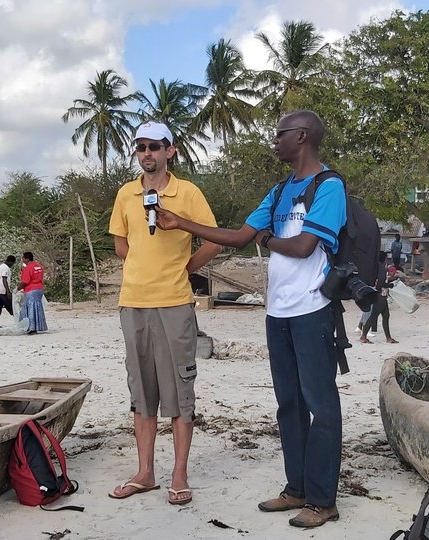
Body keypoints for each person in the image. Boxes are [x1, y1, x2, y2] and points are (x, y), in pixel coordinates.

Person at [154, 110, 345, 529]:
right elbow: (239, 236)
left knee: (322, 406)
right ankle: (296, 488)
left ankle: (322, 499)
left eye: (279, 135)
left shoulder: (329, 187)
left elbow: (303, 246)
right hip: (277, 312)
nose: (273, 141)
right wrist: (180, 222)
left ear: (301, 136)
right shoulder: (278, 191)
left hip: (313, 311)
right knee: (289, 405)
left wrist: (269, 238)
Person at [106, 121, 221, 506]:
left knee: (179, 389)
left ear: (170, 151)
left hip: (174, 303)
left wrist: (184, 267)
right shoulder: (125, 194)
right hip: (133, 302)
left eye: (154, 146)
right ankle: (145, 472)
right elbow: (122, 245)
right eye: (140, 147)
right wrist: (143, 268)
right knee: (141, 389)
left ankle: (179, 473)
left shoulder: (187, 192)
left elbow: (214, 240)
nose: (146, 154)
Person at [359, 252, 398, 344]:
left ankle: (388, 338)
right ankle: (363, 336)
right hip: (380, 295)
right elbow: (381, 283)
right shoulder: (382, 269)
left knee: (386, 315)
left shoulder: (376, 267)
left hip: (381, 295)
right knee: (374, 316)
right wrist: (390, 285)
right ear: (384, 259)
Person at [18, 251, 47, 334]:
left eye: (23, 258)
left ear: (27, 259)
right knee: (37, 307)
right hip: (39, 289)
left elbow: (25, 281)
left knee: (30, 308)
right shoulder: (39, 266)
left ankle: (31, 327)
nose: (23, 260)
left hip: (31, 289)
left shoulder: (28, 268)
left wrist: (18, 288)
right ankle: (38, 326)